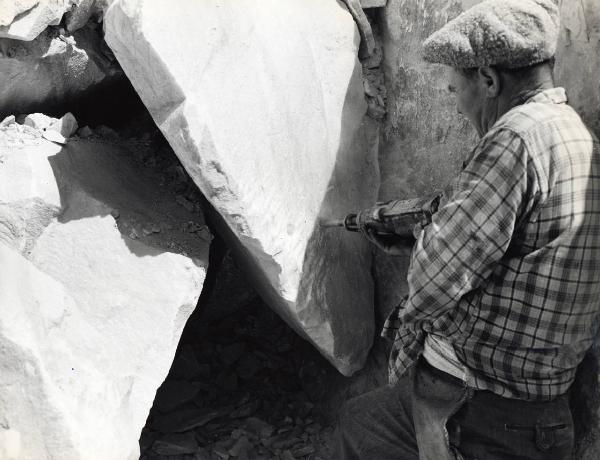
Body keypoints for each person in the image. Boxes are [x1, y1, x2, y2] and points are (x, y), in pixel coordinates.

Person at [333, 0, 600, 459]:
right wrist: (412, 224)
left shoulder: (514, 138)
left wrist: (427, 244)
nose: (457, 105)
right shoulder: (579, 138)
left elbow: (434, 280)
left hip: (482, 406)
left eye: (457, 90)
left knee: (359, 426)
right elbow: (512, 239)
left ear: (489, 80)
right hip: (547, 409)